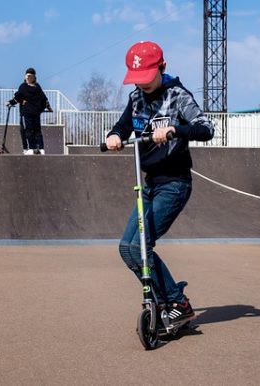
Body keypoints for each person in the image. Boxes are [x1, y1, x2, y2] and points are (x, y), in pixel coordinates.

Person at [105, 41, 214, 324]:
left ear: (161, 68)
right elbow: (122, 125)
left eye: (146, 77)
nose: (142, 84)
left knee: (142, 245)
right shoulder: (136, 97)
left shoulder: (178, 95)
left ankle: (177, 303)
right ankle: (165, 301)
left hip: (175, 182)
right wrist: (115, 135)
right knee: (127, 248)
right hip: (150, 183)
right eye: (137, 79)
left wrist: (175, 129)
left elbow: (206, 128)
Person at [7, 67, 53, 155]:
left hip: (26, 112)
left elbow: (17, 97)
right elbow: (44, 99)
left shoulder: (23, 87)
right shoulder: (38, 87)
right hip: (36, 112)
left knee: (28, 130)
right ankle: (41, 148)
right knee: (37, 130)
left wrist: (10, 102)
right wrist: (48, 107)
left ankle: (31, 148)